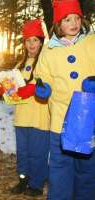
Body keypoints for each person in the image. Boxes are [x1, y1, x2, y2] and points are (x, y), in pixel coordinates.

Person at [35, 0, 95, 199]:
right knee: (60, 168)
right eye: (67, 19)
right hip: (61, 121)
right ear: (58, 23)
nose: (74, 23)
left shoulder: (91, 42)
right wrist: (44, 88)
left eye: (77, 18)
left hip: (88, 120)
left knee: (87, 169)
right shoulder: (49, 50)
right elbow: (43, 76)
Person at [7, 19, 50, 197]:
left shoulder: (47, 61)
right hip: (21, 117)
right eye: (28, 40)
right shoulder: (19, 65)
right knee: (23, 153)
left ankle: (37, 184)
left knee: (37, 153)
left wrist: (32, 89)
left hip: (39, 118)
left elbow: (48, 84)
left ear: (41, 42)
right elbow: (13, 92)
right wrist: (8, 90)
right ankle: (24, 179)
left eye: (35, 40)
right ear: (24, 43)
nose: (31, 44)